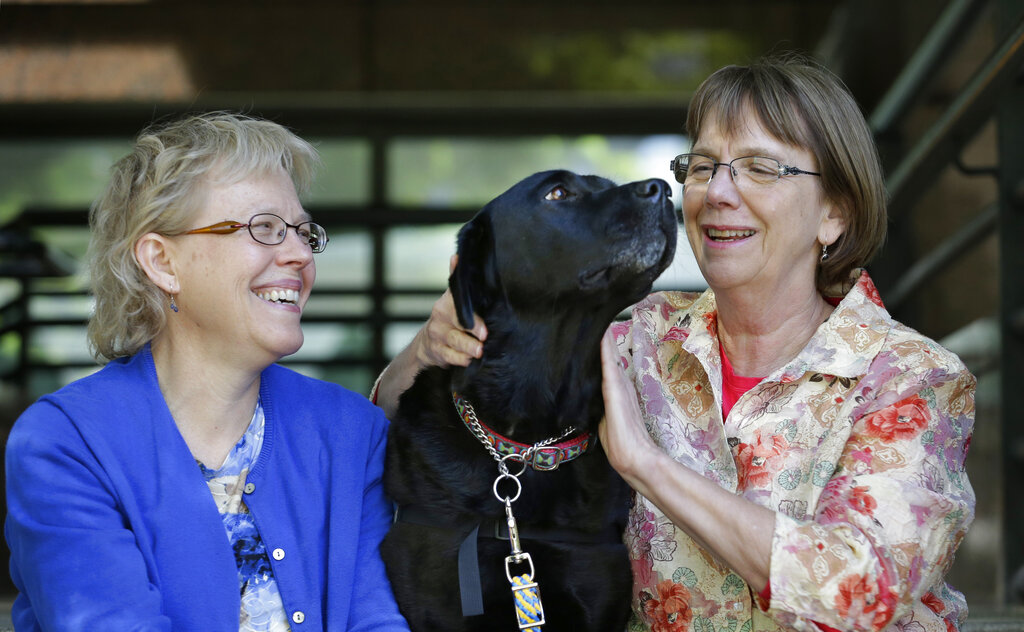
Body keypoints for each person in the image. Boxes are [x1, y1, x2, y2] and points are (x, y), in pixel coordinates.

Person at [375, 55, 975, 632]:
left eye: (761, 168)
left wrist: (649, 467)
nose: (717, 192)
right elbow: (394, 416)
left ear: (834, 215)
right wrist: (427, 349)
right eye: (704, 166)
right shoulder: (637, 338)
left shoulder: (911, 379)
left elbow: (858, 593)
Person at [5, 112, 409, 631]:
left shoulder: (353, 431)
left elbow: (376, 619)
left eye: (304, 232)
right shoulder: (66, 443)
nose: (299, 253)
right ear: (162, 262)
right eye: (264, 228)